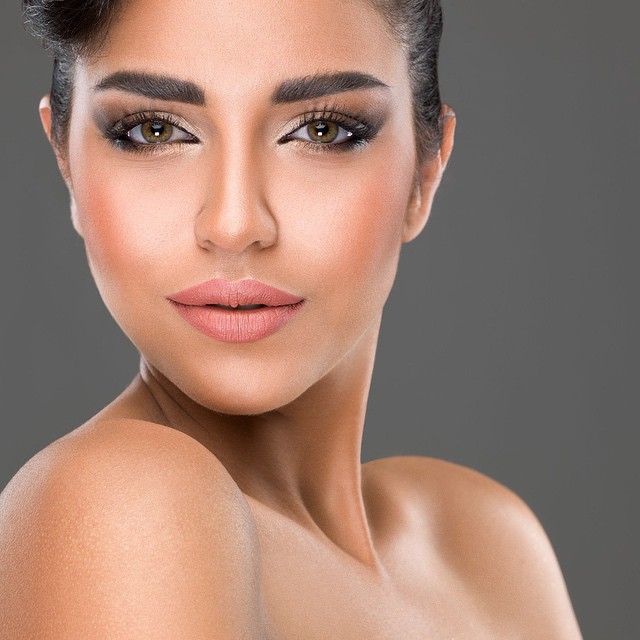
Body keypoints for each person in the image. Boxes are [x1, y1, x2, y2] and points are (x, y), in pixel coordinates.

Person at [0, 0, 583, 637]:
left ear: (426, 170)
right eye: (154, 131)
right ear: (66, 162)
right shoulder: (124, 502)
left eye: (322, 131)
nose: (234, 225)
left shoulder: (488, 546)